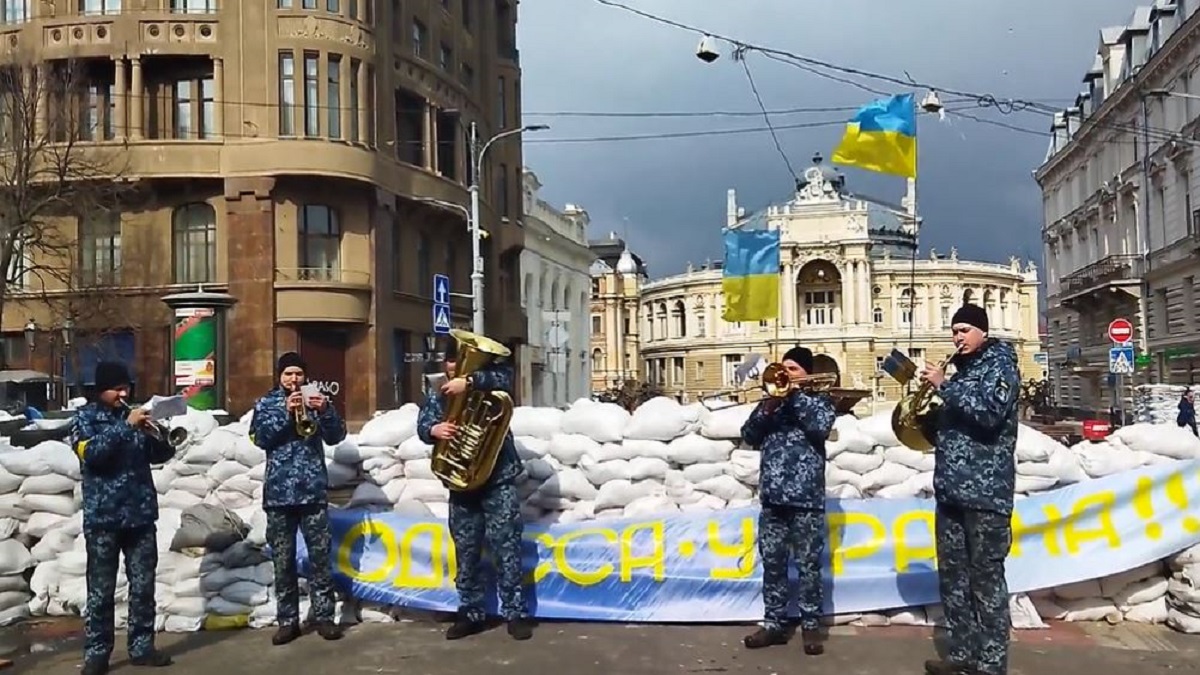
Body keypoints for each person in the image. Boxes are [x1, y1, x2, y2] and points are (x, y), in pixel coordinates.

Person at [918, 304, 1020, 675]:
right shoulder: (962, 372)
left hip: (986, 493)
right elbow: (951, 429)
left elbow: (990, 414)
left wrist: (945, 386)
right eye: (953, 331)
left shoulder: (1000, 366)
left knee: (986, 579)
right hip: (951, 490)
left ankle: (991, 663)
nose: (957, 337)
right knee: (953, 576)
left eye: (964, 330)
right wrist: (925, 417)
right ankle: (962, 653)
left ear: (982, 332)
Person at [416, 337, 534, 641]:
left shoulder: (491, 382)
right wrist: (434, 430)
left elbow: (506, 381)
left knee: (506, 546)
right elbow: (423, 425)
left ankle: (515, 612)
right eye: (452, 362)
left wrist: (470, 383)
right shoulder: (438, 394)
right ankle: (469, 612)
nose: (454, 367)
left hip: (497, 478)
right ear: (446, 364)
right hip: (462, 482)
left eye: (459, 361)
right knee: (466, 550)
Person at [72, 361, 174, 675]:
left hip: (140, 515)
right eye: (117, 388)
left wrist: (159, 434)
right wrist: (126, 427)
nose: (123, 392)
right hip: (104, 518)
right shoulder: (84, 419)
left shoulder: (134, 417)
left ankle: (142, 647)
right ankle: (97, 654)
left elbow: (161, 456)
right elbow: (92, 455)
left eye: (126, 387)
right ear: (100, 389)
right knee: (101, 590)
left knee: (143, 586)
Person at [738, 346, 836, 654]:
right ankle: (774, 624)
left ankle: (810, 627)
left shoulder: (820, 401)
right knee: (774, 563)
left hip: (806, 498)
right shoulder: (771, 403)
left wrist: (795, 396)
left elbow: (820, 428)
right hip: (773, 497)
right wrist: (768, 407)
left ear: (806, 373)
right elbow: (749, 434)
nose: (787, 374)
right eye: (785, 368)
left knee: (808, 565)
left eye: (793, 370)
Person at [250, 352, 347, 645]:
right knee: (284, 560)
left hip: (313, 492)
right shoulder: (267, 403)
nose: (294, 380)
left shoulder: (315, 398)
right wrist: (284, 412)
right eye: (288, 374)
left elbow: (337, 436)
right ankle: (288, 621)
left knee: (320, 558)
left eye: (298, 374)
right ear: (279, 376)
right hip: (279, 495)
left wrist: (327, 409)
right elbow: (259, 438)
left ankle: (325, 617)